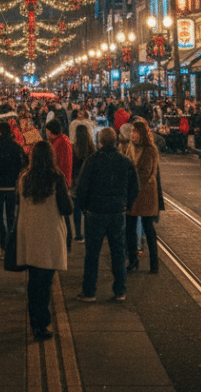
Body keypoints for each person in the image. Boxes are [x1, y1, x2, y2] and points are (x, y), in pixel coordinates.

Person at [14, 139, 72, 340]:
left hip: (30, 235)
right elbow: (67, 208)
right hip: (50, 234)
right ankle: (42, 323)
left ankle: (35, 321)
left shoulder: (24, 178)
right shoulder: (57, 178)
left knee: (33, 283)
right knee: (45, 284)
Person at [74, 127, 139, 302]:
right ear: (115, 141)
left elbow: (81, 188)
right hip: (117, 212)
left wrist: (85, 207)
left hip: (95, 212)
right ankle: (120, 291)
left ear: (99, 142)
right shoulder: (125, 162)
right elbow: (135, 187)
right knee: (118, 252)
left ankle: (89, 292)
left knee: (92, 254)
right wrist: (127, 204)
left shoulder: (91, 161)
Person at [124, 121, 160, 274]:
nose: (133, 134)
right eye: (132, 131)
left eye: (136, 131)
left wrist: (129, 178)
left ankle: (154, 264)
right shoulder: (130, 147)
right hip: (132, 195)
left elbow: (146, 173)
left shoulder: (150, 150)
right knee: (129, 230)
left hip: (145, 194)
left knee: (148, 228)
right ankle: (133, 261)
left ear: (143, 133)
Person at [0, 121, 27, 259]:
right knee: (11, 218)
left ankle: (3, 248)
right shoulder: (17, 147)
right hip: (12, 187)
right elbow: (22, 165)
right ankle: (11, 247)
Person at [69, 123, 95, 243]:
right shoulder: (92, 149)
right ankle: (90, 233)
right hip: (89, 184)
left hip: (76, 183)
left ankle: (78, 234)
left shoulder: (73, 149)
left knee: (77, 210)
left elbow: (71, 167)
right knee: (89, 210)